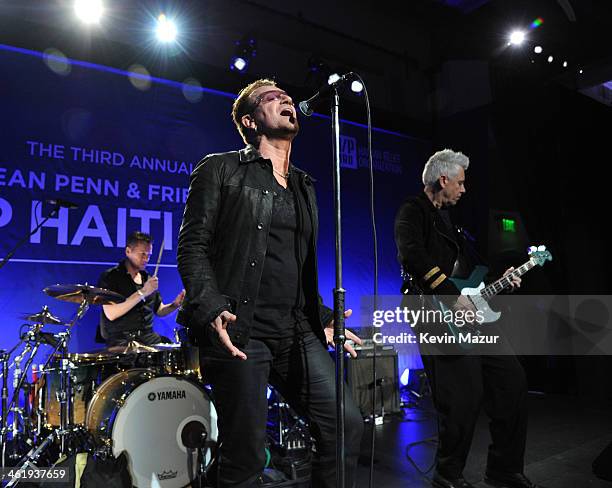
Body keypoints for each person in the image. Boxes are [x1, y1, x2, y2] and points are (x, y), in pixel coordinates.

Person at [177, 79, 364, 487]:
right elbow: (192, 246)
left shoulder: (304, 184)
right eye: (269, 98)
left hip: (296, 329)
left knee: (346, 426)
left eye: (285, 96)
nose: (284, 100)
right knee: (245, 459)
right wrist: (210, 307)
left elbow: (293, 267)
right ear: (249, 120)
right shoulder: (221, 169)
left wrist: (325, 318)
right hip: (241, 330)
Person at [394, 149, 539, 488]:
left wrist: (501, 282)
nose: (464, 189)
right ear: (442, 179)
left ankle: (503, 468)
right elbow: (411, 255)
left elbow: (472, 280)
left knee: (512, 380)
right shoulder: (412, 211)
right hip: (431, 311)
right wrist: (451, 294)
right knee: (463, 395)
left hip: (466, 313)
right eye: (460, 182)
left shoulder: (452, 223)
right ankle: (447, 474)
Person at [97, 231, 185, 347]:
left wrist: (175, 304)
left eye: (149, 255)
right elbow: (111, 313)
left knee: (174, 350)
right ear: (128, 251)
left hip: (148, 338)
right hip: (122, 340)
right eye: (142, 254)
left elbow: (159, 310)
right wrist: (143, 292)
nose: (146, 259)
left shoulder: (147, 278)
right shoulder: (110, 277)